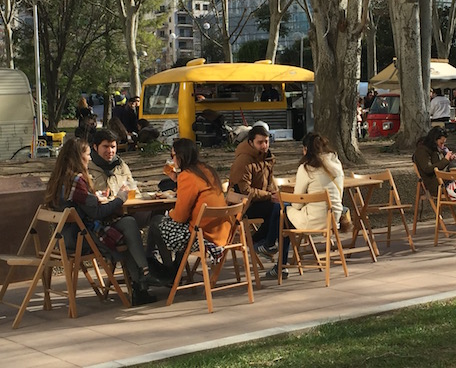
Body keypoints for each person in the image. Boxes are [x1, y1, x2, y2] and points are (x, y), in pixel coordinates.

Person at [44, 138, 159, 306]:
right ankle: (143, 277)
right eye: (88, 155)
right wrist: (120, 198)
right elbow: (97, 213)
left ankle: (142, 280)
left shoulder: (59, 180)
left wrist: (96, 198)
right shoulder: (77, 181)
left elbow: (84, 205)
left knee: (127, 225)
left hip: (62, 239)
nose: (90, 159)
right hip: (79, 239)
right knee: (126, 229)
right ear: (78, 157)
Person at [147, 139, 230, 274]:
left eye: (172, 156)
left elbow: (180, 216)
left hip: (203, 236)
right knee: (172, 224)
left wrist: (170, 214)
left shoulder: (187, 175)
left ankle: (169, 271)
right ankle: (172, 267)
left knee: (157, 222)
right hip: (221, 232)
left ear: (180, 156)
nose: (172, 159)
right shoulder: (207, 170)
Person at [271, 133, 347, 280]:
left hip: (313, 219)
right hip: (333, 218)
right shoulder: (336, 165)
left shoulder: (306, 168)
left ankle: (276, 256)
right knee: (284, 212)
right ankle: (270, 251)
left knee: (281, 211)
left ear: (305, 149)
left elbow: (297, 204)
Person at [228, 125, 280, 257]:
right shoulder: (244, 160)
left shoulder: (267, 158)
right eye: (260, 142)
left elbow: (269, 183)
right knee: (277, 210)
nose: (264, 145)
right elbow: (245, 191)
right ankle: (259, 242)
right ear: (251, 142)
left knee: (284, 208)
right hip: (243, 205)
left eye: (266, 141)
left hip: (259, 200)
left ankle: (263, 242)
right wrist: (269, 196)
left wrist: (275, 193)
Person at [88, 128, 134, 195]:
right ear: (95, 147)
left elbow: (135, 192)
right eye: (105, 147)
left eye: (113, 147)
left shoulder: (121, 167)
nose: (110, 151)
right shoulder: (86, 168)